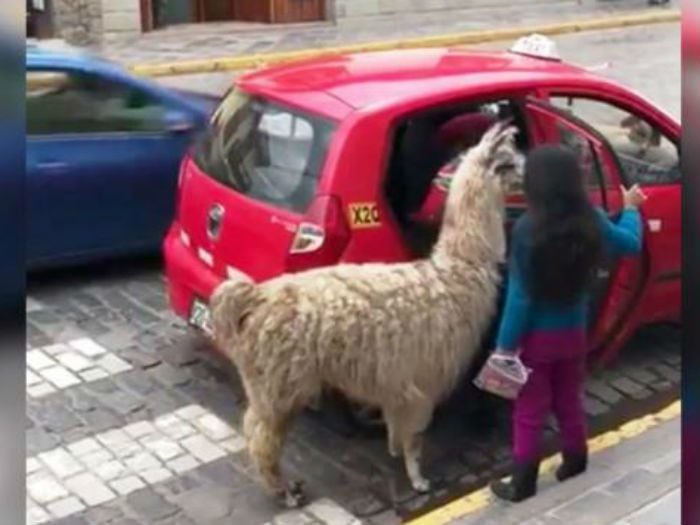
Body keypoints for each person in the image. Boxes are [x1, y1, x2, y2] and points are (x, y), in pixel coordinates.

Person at [489, 144, 646, 502]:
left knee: (529, 408)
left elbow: (520, 298)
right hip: (575, 332)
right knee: (569, 398)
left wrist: (504, 348)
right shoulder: (590, 218)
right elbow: (630, 244)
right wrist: (632, 210)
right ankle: (575, 457)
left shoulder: (527, 229)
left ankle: (523, 480)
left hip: (534, 340)